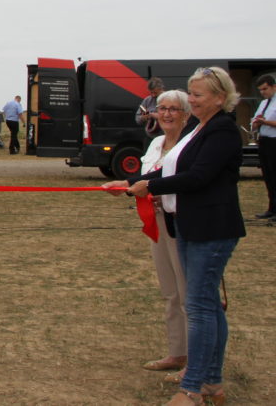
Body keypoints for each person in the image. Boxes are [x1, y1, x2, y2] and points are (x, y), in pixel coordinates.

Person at [104, 67, 246, 405]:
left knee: (198, 307)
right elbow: (170, 169)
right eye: (191, 93)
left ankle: (193, 388)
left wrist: (148, 186)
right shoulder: (199, 129)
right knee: (206, 306)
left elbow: (197, 177)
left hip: (211, 229)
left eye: (197, 95)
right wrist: (130, 183)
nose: (191, 100)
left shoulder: (222, 131)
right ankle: (210, 382)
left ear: (219, 98)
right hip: (188, 225)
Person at [130, 90, 192, 378]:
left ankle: (195, 361)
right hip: (156, 221)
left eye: (173, 109)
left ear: (186, 114)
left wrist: (151, 189)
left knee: (188, 293)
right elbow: (145, 179)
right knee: (170, 291)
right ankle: (177, 352)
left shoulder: (190, 145)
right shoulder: (156, 143)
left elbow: (184, 181)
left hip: (182, 223)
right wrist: (126, 186)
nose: (166, 114)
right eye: (162, 108)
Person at [251, 74, 276, 220]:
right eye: (260, 90)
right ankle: (272, 208)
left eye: (265, 89)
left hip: (274, 141)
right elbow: (255, 120)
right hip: (264, 141)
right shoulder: (263, 103)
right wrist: (255, 123)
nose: (262, 92)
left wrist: (265, 122)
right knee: (268, 175)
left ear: (274, 87)